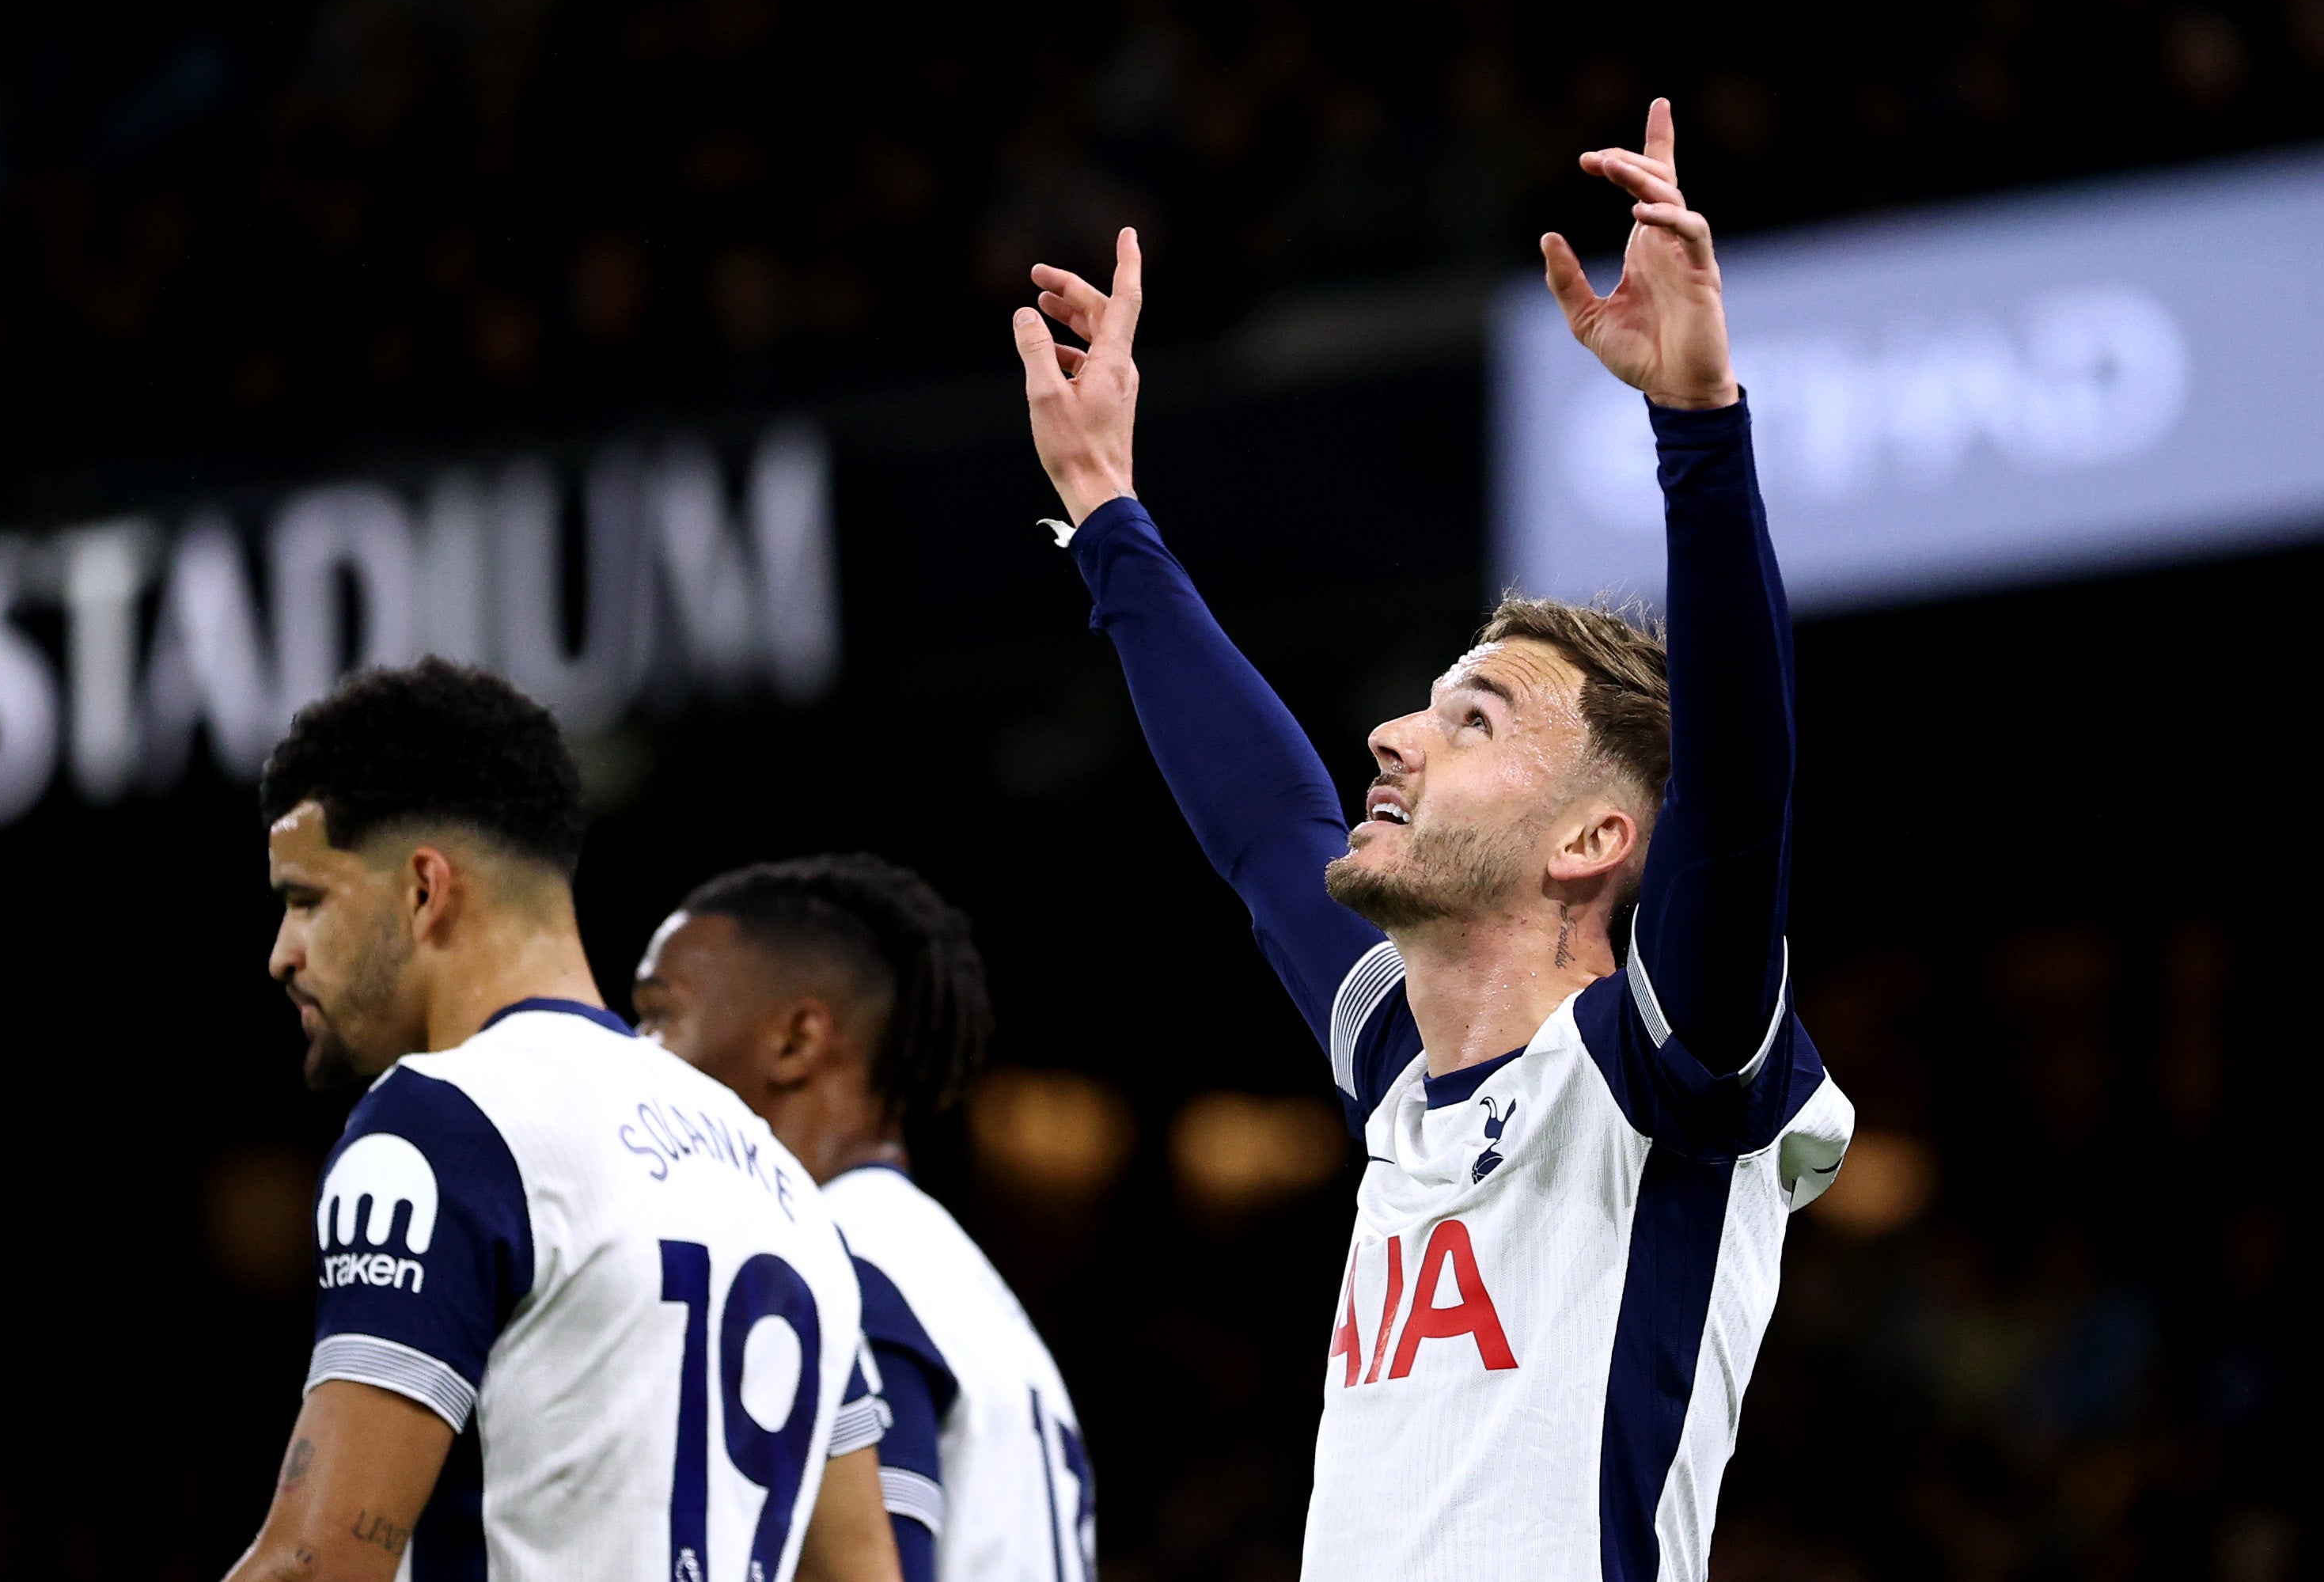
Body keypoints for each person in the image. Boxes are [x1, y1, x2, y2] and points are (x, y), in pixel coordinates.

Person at [1007, 100, 1854, 1582]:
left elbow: (1740, 792)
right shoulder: (1402, 1065)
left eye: (1470, 722)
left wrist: (1698, 434)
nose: (1391, 740)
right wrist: (1103, 507)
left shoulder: (1657, 1072)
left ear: (1595, 837)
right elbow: (1265, 825)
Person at [224, 659, 900, 1582]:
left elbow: (315, 1562)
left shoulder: (444, 1123)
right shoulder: (783, 1185)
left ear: (424, 889)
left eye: (306, 901)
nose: (282, 955)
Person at [633, 853, 1095, 1582]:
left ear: (796, 1041)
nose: (637, 1054)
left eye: (660, 1014)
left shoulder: (836, 1267)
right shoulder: (947, 1274)